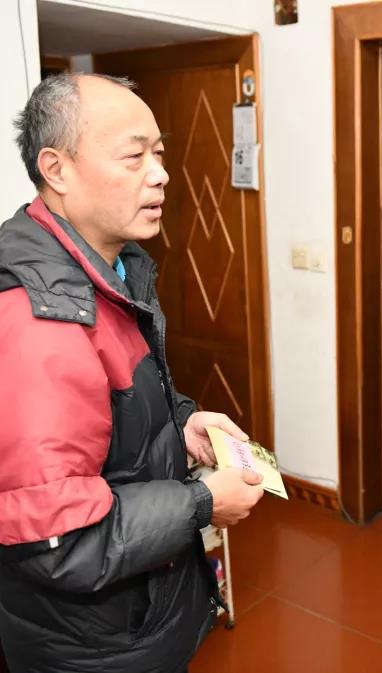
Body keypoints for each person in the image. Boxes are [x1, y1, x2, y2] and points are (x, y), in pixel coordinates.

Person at [0, 73, 265, 673]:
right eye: (134, 155)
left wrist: (183, 420)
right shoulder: (41, 321)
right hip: (94, 644)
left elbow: (118, 407)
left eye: (160, 153)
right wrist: (201, 504)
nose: (161, 173)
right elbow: (61, 541)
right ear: (56, 169)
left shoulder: (112, 271)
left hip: (136, 615)